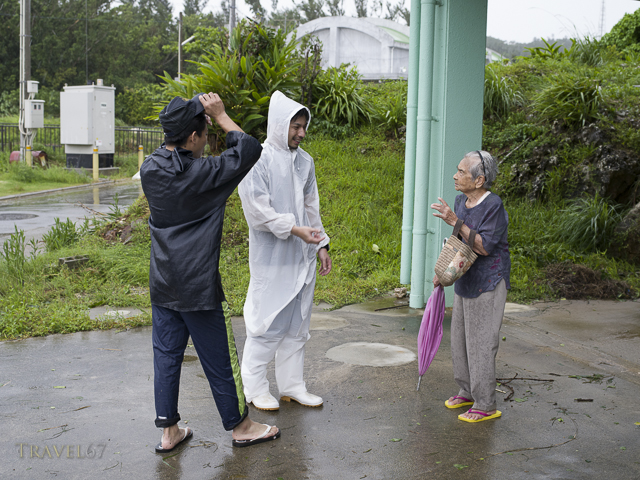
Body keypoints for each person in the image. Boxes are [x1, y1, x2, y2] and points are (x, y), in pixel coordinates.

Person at [140, 92, 280, 451]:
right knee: (219, 357)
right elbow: (249, 149)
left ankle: (169, 431)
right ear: (192, 138)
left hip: (163, 282)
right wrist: (220, 114)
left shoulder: (150, 169)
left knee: (166, 357)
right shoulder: (204, 174)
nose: (205, 142)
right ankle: (241, 426)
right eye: (203, 135)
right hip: (198, 286)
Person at [237, 90, 332, 411]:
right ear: (279, 125)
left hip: (302, 255)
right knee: (268, 321)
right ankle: (254, 386)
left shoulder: (305, 161)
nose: (302, 133)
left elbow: (311, 205)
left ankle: (292, 386)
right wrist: (293, 229)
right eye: (296, 127)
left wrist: (320, 243)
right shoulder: (257, 160)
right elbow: (256, 210)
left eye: (304, 126)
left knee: (297, 324)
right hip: (272, 257)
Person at [430, 150, 510, 423]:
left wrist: (455, 221)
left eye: (462, 172)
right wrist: (444, 273)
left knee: (482, 343)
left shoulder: (493, 205)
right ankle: (466, 390)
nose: (455, 175)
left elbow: (485, 246)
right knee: (461, 341)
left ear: (479, 180)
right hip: (466, 278)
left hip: (489, 281)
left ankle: (486, 403)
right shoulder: (461, 201)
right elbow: (459, 244)